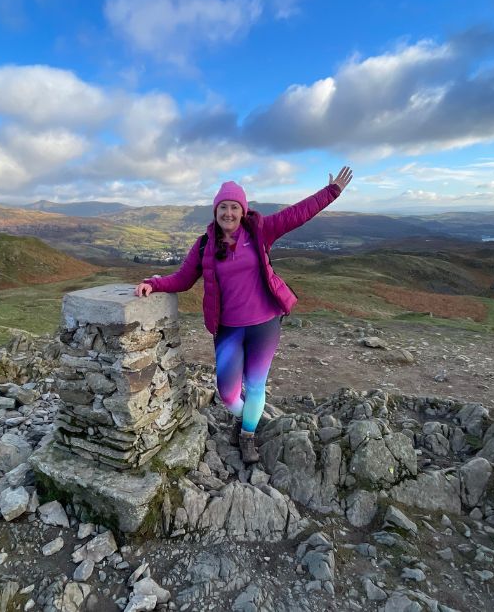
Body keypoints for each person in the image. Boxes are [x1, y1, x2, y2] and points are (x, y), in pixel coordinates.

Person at [134, 166, 354, 463]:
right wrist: (153, 284)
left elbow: (297, 214)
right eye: (223, 207)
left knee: (255, 386)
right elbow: (184, 279)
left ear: (243, 210)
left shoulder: (260, 231)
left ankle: (248, 434)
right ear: (215, 211)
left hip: (265, 324)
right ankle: (249, 417)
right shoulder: (204, 246)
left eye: (234, 207)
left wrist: (331, 192)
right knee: (227, 393)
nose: (228, 212)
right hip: (228, 328)